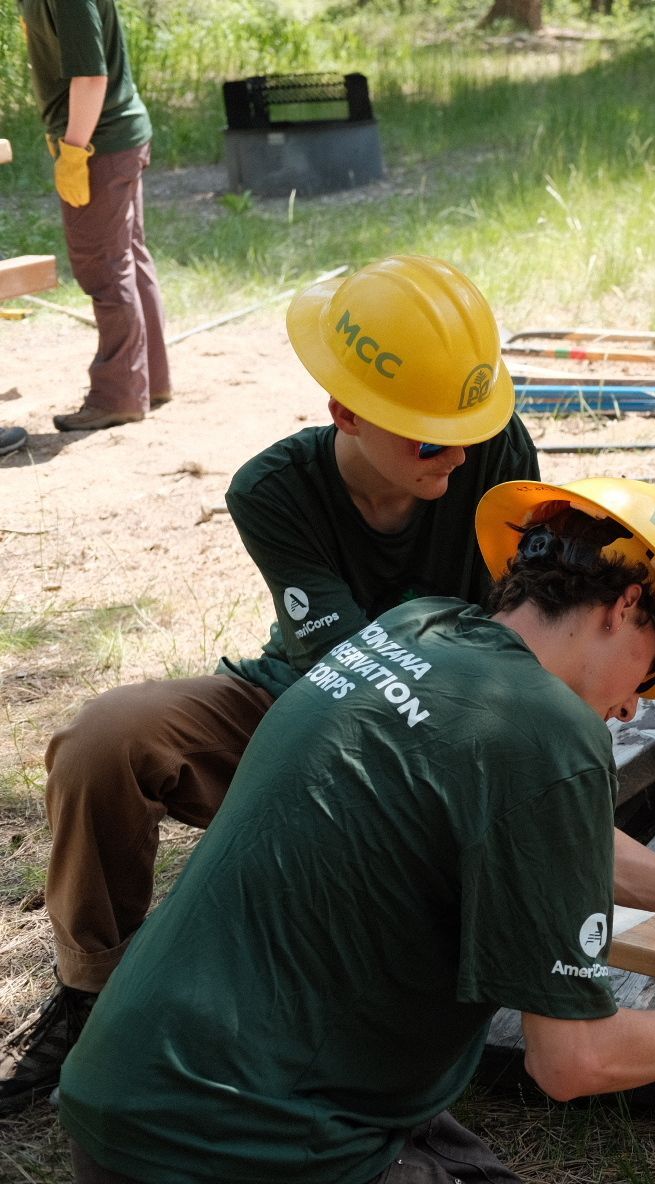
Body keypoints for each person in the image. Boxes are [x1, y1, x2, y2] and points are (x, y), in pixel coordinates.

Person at [57, 476, 655, 1182]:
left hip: (129, 1088)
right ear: (626, 605)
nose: (630, 707)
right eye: (649, 675)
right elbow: (573, 1061)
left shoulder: (416, 630)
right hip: (239, 1145)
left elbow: (543, 831)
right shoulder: (553, 731)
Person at [0, 255, 540, 1113]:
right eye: (429, 435)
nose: (459, 452)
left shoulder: (494, 450)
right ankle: (93, 993)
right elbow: (348, 671)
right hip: (301, 701)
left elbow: (529, 620)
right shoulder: (273, 489)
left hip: (458, 725)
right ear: (346, 414)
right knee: (105, 739)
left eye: (467, 425)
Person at [19, 0, 171, 432]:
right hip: (109, 137)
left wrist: (74, 150)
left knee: (105, 266)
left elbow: (90, 75)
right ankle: (149, 382)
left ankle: (118, 395)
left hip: (99, 144)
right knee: (128, 257)